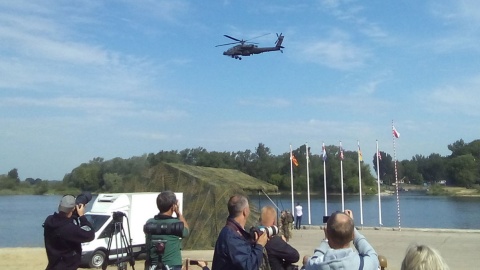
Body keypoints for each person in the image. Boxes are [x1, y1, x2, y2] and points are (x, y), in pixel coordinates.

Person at [304, 210, 378, 270]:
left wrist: (326, 240)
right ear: (353, 235)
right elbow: (370, 252)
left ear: (327, 233)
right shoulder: (365, 264)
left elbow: (314, 258)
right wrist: (351, 227)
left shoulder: (315, 265)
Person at [211, 194, 269, 270]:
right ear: (245, 211)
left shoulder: (233, 231)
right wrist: (259, 245)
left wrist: (252, 242)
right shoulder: (231, 236)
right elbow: (249, 266)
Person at [43, 194, 95, 270]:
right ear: (73, 208)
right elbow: (90, 234)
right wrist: (82, 216)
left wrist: (74, 214)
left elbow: (65, 220)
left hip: (53, 266)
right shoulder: (69, 229)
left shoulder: (49, 220)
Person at [144, 191, 189, 270]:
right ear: (173, 206)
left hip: (152, 266)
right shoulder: (176, 224)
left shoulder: (150, 223)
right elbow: (186, 231)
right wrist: (178, 213)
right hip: (173, 265)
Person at [261, 206, 300, 270]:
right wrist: (283, 244)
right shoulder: (274, 241)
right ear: (274, 222)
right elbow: (295, 256)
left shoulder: (254, 236)